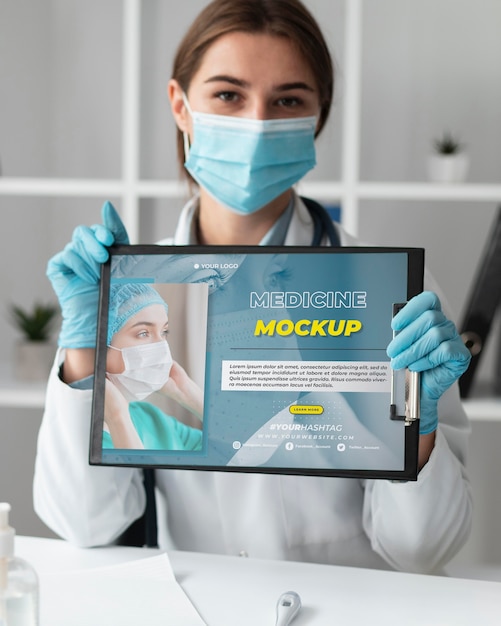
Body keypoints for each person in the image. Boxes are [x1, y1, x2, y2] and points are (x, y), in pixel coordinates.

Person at [34, 0, 472, 573]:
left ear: (317, 118)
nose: (257, 122)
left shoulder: (389, 290)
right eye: (228, 95)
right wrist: (83, 351)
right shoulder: (131, 295)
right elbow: (86, 525)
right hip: (195, 606)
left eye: (288, 100)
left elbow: (425, 550)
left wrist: (420, 419)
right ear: (180, 106)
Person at [103, 282, 203, 450]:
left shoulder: (152, 419)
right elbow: (139, 475)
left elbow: (242, 448)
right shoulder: (80, 436)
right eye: (143, 333)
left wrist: (187, 393)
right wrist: (117, 417)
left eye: (164, 332)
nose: (161, 347)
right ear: (99, 346)